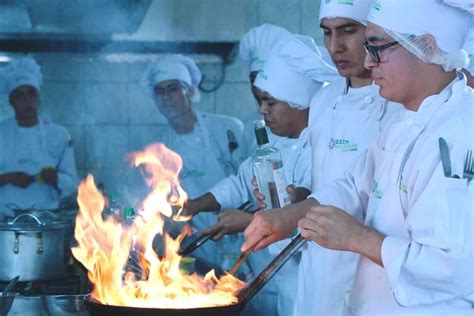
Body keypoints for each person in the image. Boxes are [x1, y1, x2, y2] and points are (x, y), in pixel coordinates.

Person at [244, 0, 474, 314]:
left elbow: (453, 267)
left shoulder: (460, 134)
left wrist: (356, 238)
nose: (368, 62)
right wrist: (293, 214)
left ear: (426, 46)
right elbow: (356, 186)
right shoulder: (405, 121)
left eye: (377, 47)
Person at [248, 0, 405, 315]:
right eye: (327, 33)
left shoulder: (397, 103)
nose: (336, 46)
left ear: (373, 33)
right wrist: (295, 199)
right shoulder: (322, 100)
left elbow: (364, 187)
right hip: (317, 265)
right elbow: (319, 179)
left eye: (349, 31)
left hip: (370, 268)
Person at [184, 33, 337, 316]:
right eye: (261, 101)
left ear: (299, 103)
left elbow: (305, 213)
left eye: (271, 102)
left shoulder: (320, 147)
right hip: (277, 271)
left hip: (310, 276)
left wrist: (247, 221)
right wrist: (193, 206)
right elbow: (241, 182)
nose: (262, 110)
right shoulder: (274, 142)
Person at [139, 54, 246, 266]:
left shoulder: (227, 129)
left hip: (244, 237)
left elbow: (249, 184)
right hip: (199, 247)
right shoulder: (156, 148)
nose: (166, 97)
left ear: (190, 90)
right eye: (159, 91)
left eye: (173, 88)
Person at [0, 57, 79, 217]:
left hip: (47, 217)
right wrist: (8, 178)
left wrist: (56, 179)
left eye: (31, 93)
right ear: (11, 101)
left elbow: (73, 182)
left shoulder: (59, 135)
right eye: (20, 95)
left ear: (38, 97)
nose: (27, 100)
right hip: (4, 217)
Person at [239, 23, 293, 158]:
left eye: (265, 79)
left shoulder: (301, 123)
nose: (259, 89)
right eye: (254, 80)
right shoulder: (251, 124)